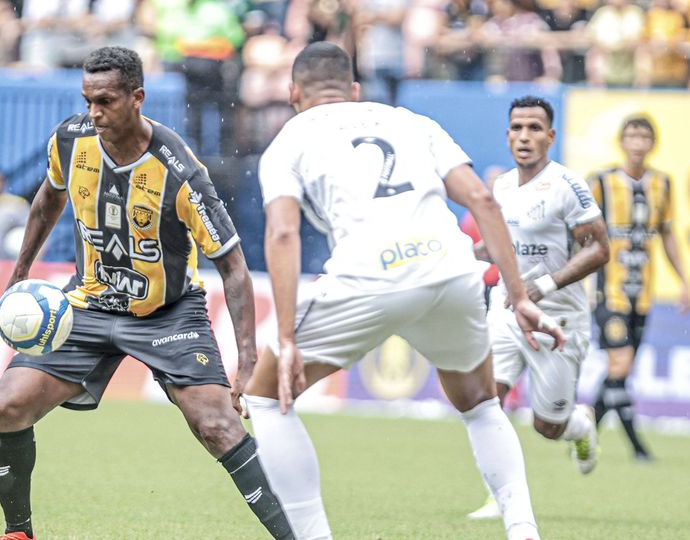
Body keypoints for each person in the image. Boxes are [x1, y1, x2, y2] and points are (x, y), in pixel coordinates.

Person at [243, 42, 566, 540]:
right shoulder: (411, 120)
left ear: (292, 93)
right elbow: (482, 198)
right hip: (450, 269)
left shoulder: (290, 139)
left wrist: (286, 338)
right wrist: (519, 295)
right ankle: (523, 530)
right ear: (353, 91)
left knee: (266, 398)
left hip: (371, 276)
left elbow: (283, 234)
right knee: (480, 403)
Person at [0, 46, 294, 540]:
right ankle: (18, 533)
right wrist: (20, 270)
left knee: (218, 427)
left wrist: (249, 358)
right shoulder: (70, 140)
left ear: (137, 98)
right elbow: (48, 196)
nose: (93, 112)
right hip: (88, 303)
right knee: (7, 406)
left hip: (167, 314)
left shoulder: (180, 172)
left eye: (105, 101)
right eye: (87, 100)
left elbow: (233, 266)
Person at [467, 96, 610, 521]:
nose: (524, 136)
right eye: (516, 128)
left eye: (533, 128)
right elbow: (497, 246)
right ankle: (503, 495)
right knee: (483, 400)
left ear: (550, 136)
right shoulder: (503, 185)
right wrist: (455, 254)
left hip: (557, 318)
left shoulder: (567, 185)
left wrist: (543, 285)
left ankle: (579, 426)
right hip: (506, 311)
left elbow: (600, 248)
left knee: (547, 426)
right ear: (508, 134)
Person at [586, 114, 690, 461]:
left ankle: (586, 429)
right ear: (621, 142)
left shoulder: (662, 184)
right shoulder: (600, 182)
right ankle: (636, 446)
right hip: (607, 292)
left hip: (641, 295)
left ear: (652, 144)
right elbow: (581, 234)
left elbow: (666, 234)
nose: (637, 142)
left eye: (644, 136)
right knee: (620, 362)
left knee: (623, 369)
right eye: (631, 135)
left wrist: (684, 281)